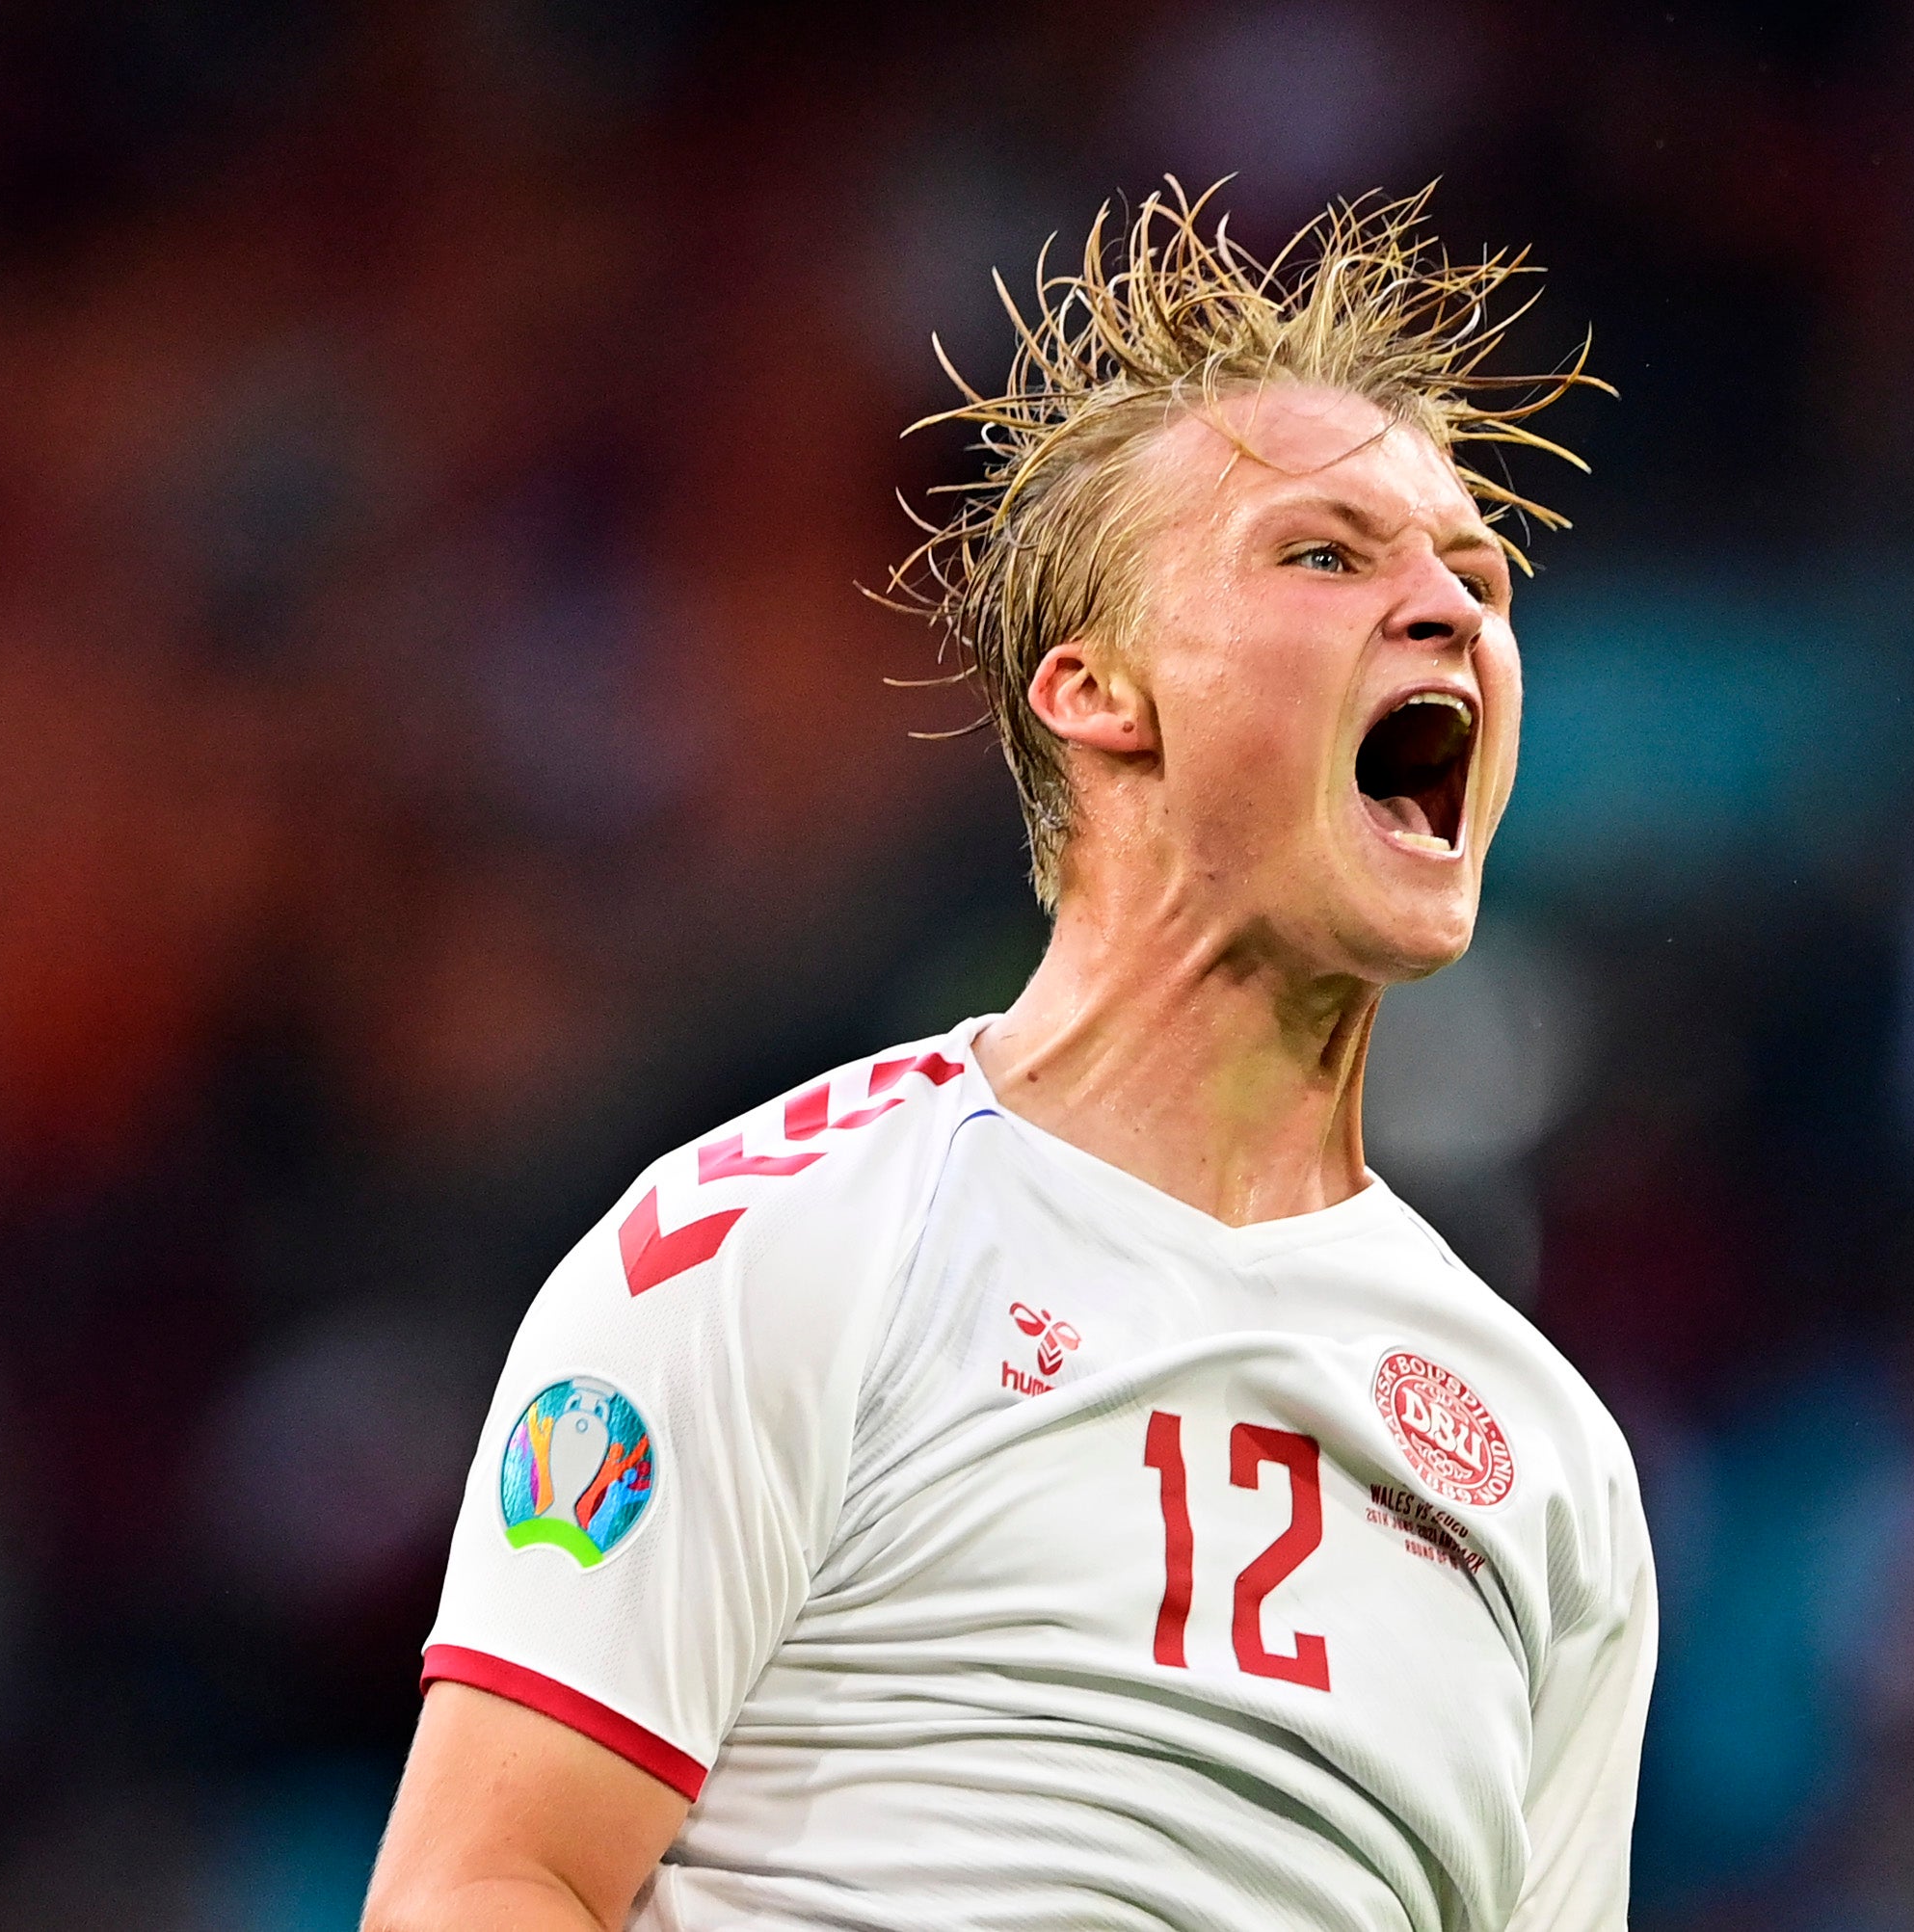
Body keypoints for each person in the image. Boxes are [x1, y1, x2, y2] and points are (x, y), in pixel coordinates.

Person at [359, 182, 1657, 1932]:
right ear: (1097, 690)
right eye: (1327, 553)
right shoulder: (781, 1241)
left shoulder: (1547, 1453)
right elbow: (490, 1880)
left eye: (1476, 574)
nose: (1448, 609)